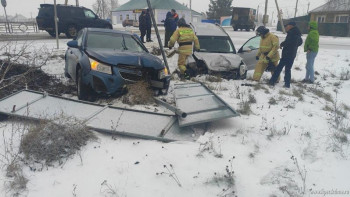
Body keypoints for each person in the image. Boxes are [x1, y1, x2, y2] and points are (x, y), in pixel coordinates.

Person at [269, 22, 303, 88]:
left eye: (286, 26)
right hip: (292, 54)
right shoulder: (297, 33)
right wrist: (295, 47)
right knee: (288, 69)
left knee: (279, 68)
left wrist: (282, 44)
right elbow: (300, 42)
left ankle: (272, 81)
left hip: (287, 54)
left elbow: (288, 42)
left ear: (290, 26)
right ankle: (287, 84)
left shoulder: (292, 33)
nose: (285, 27)